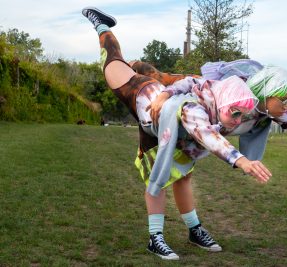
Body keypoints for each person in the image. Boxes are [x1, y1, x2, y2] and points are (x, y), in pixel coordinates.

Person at [81, 7, 271, 261]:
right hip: (151, 108)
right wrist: (242, 160)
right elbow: (207, 135)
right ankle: (100, 25)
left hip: (171, 107)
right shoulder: (156, 97)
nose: (239, 120)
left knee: (183, 177)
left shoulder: (210, 94)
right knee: (113, 64)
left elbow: (203, 94)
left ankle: (194, 230)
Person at [144, 60, 287, 169]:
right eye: (282, 100)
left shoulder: (269, 108)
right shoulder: (231, 92)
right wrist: (166, 94)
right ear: (266, 93)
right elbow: (194, 82)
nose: (286, 106)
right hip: (182, 122)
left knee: (183, 176)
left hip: (195, 144)